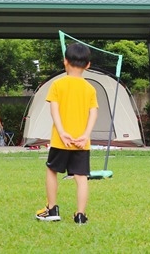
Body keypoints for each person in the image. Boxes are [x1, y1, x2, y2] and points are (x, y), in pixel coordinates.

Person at [36, 42, 99, 225]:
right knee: (81, 177)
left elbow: (54, 110)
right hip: (81, 142)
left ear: (65, 61)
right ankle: (80, 215)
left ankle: (52, 209)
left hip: (60, 141)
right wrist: (86, 135)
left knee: (52, 170)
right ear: (88, 65)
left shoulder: (57, 84)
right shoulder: (90, 88)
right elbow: (93, 113)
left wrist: (62, 133)